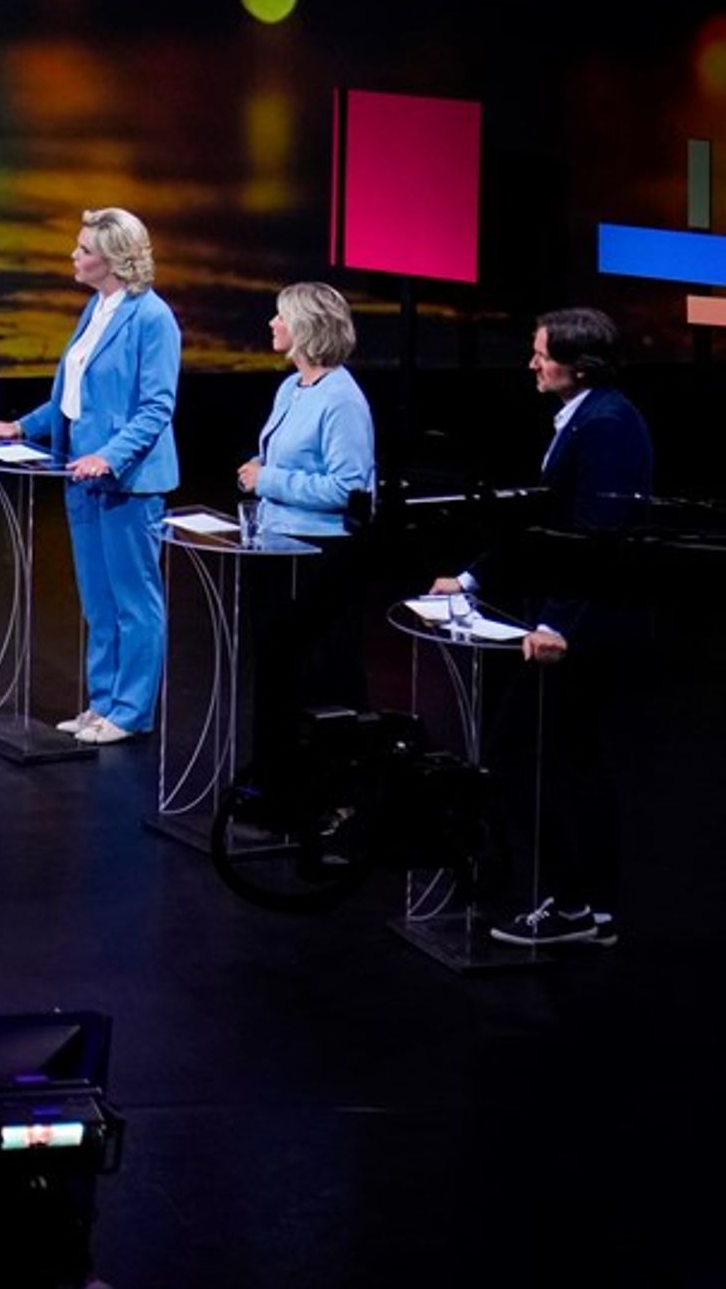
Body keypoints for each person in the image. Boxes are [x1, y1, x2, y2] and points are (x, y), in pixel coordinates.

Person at [428, 307, 653, 948]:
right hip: (580, 623)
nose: (532, 362)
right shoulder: (588, 416)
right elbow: (541, 525)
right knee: (568, 762)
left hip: (586, 632)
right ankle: (591, 905)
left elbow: (596, 541)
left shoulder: (606, 425)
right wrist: (471, 580)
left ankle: (576, 905)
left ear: (579, 365)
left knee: (529, 758)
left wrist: (557, 624)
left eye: (542, 353)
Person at [0, 208, 179, 742]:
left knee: (134, 602)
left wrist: (109, 456)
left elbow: (156, 409)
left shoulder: (153, 318)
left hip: (127, 483)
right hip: (79, 475)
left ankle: (131, 711)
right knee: (97, 600)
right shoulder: (97, 307)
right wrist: (19, 428)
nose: (74, 255)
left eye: (84, 249)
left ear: (112, 259)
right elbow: (73, 399)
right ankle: (102, 703)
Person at [232, 283, 375, 786]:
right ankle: (273, 773)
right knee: (274, 667)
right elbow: (285, 460)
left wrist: (267, 479)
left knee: (314, 672)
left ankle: (322, 783)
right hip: (278, 546)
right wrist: (262, 466)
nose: (272, 324)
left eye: (280, 317)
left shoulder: (342, 400)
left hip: (319, 556)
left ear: (307, 328)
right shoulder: (291, 388)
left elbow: (348, 487)